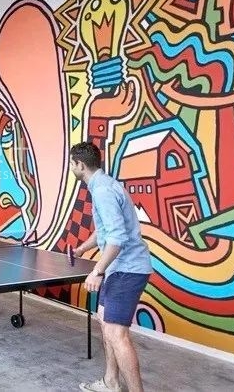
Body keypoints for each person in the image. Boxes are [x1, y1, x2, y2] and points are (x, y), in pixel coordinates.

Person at [68, 142, 153, 392]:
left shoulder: (103, 191)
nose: (71, 167)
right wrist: (82, 249)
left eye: (72, 163)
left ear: (80, 165)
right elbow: (105, 230)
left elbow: (117, 238)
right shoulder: (103, 185)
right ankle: (111, 382)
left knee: (117, 333)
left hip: (127, 269)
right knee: (105, 322)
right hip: (119, 268)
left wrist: (97, 271)